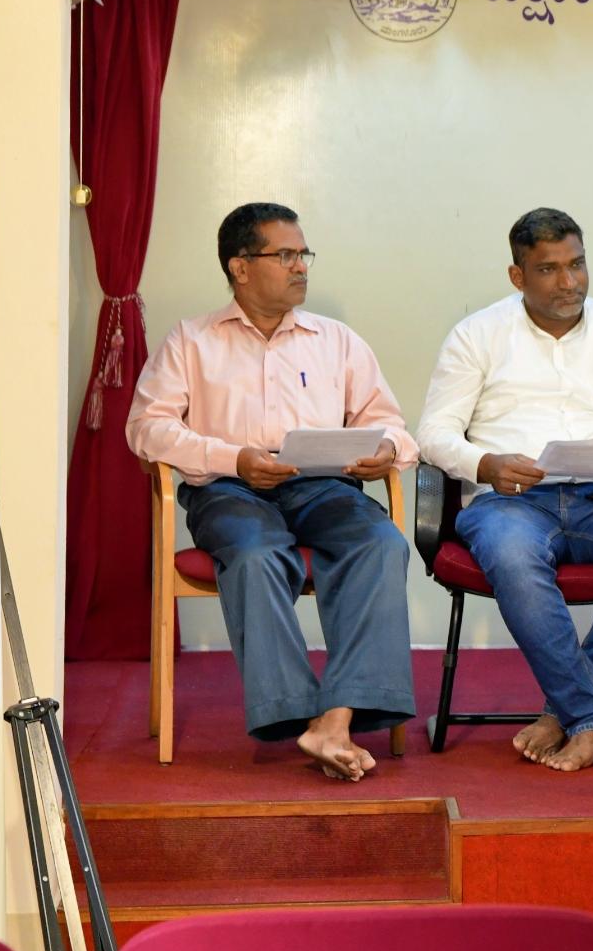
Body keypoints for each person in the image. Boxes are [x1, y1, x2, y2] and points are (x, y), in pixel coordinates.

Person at [127, 203, 417, 782]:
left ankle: (336, 719)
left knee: (381, 543)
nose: (300, 266)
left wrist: (387, 450)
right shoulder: (191, 340)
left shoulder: (335, 340)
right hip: (230, 489)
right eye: (285, 255)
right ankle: (299, 713)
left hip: (323, 488)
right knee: (257, 554)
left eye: (303, 254)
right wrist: (231, 457)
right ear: (240, 267)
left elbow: (391, 425)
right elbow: (147, 429)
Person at [415, 208, 593, 772]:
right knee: (515, 560)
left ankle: (566, 713)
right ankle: (590, 716)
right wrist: (485, 463)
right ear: (517, 276)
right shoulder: (477, 335)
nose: (569, 282)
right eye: (549, 269)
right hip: (511, 500)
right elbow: (435, 434)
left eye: (577, 264)